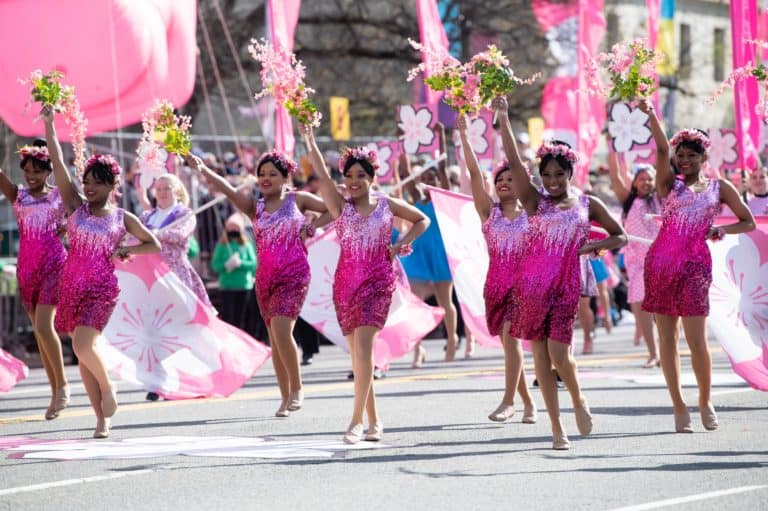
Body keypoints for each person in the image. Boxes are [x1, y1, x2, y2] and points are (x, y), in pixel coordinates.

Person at [495, 96, 628, 450]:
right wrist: (504, 117)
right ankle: (556, 427)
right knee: (539, 356)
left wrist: (591, 249)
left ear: (571, 173)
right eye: (547, 174)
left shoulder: (588, 204)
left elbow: (620, 236)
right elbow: (512, 160)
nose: (552, 180)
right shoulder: (535, 200)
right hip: (531, 288)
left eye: (559, 174)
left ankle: (579, 399)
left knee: (559, 354)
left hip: (566, 288)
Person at [301, 123, 429, 444]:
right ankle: (375, 421)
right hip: (344, 286)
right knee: (358, 357)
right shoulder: (339, 207)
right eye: (349, 176)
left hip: (378, 284)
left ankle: (355, 422)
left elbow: (421, 219)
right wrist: (310, 139)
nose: (354, 181)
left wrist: (402, 244)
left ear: (372, 178)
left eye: (361, 175)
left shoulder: (387, 204)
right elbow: (322, 172)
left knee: (365, 349)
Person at [638, 99, 756, 433]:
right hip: (660, 264)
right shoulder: (667, 185)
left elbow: (747, 221)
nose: (685, 160)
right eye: (681, 155)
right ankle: (678, 404)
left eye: (692, 155)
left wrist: (721, 229)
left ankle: (705, 400)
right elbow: (661, 150)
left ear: (705, 158)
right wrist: (651, 115)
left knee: (697, 341)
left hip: (695, 267)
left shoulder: (720, 188)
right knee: (667, 339)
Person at [44, 106, 161, 438]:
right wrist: (50, 126)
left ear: (112, 185)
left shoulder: (122, 217)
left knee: (83, 345)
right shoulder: (75, 208)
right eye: (87, 182)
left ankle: (109, 389)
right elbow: (58, 164)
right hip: (71, 287)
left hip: (100, 288)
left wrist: (126, 250)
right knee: (84, 356)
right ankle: (102, 420)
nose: (90, 187)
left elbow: (152, 244)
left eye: (98, 182)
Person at [187, 151, 329, 418]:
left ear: (286, 177)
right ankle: (285, 396)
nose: (266, 179)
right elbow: (228, 190)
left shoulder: (298, 200)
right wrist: (203, 169)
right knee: (275, 339)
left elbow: (335, 209)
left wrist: (312, 227)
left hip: (294, 275)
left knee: (282, 329)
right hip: (265, 279)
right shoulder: (255, 207)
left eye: (272, 174)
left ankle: (297, 389)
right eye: (262, 174)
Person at [457, 114, 537, 425]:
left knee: (512, 339)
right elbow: (474, 173)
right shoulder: (487, 212)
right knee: (509, 346)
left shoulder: (533, 212)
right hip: (495, 285)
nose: (504, 183)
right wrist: (465, 137)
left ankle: (508, 401)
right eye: (500, 180)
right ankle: (528, 403)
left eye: (510, 179)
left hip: (525, 287)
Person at [0, 141, 70, 419]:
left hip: (54, 265)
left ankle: (63, 385)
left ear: (48, 171)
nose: (30, 175)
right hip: (27, 269)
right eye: (27, 170)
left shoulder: (60, 196)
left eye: (37, 171)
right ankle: (55, 393)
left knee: (44, 324)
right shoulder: (17, 195)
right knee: (40, 334)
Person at [137, 173, 212, 401]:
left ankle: (183, 380)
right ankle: (157, 382)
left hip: (176, 276)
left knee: (177, 329)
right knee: (152, 330)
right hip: (151, 278)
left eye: (166, 188)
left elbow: (180, 235)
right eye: (158, 188)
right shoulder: (146, 216)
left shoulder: (184, 214)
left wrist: (156, 235)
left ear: (177, 190)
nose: (161, 192)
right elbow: (134, 237)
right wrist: (147, 236)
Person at [399, 123, 462, 363]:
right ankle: (418, 348)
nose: (427, 181)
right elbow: (405, 175)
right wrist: (402, 141)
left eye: (431, 177)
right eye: (423, 178)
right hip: (419, 254)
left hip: (440, 254)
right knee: (416, 303)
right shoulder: (417, 199)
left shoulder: (443, 198)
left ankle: (453, 338)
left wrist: (440, 137)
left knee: (446, 301)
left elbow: (444, 166)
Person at [608, 153, 661, 368]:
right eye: (641, 179)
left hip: (661, 259)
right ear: (634, 182)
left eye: (649, 179)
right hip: (637, 263)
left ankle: (667, 349)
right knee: (642, 308)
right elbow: (615, 177)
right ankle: (653, 352)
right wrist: (614, 148)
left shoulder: (661, 198)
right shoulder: (628, 200)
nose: (646, 183)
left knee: (663, 309)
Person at [210, 217, 257, 329]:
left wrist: (241, 263)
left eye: (235, 228)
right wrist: (226, 265)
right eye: (230, 228)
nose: (233, 230)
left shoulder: (246, 245)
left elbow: (253, 264)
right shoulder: (222, 245)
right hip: (227, 287)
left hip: (244, 286)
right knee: (229, 318)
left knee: (242, 318)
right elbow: (215, 265)